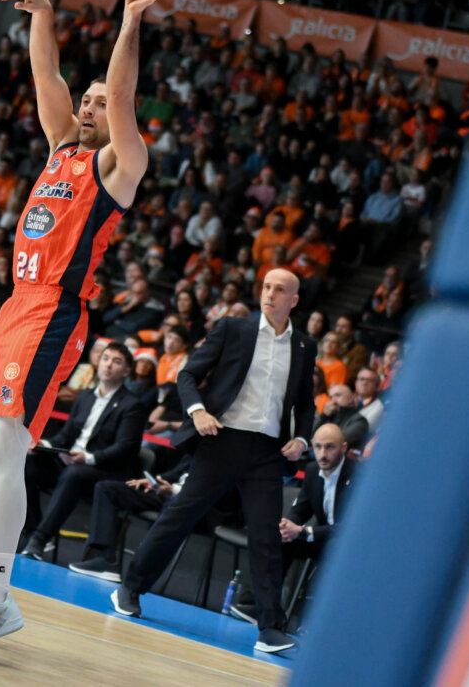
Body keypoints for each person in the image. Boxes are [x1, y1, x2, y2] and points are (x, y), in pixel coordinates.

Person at [0, 0, 173, 653]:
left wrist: (130, 20)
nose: (89, 106)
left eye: (98, 102)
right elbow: (47, 79)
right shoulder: (62, 146)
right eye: (84, 101)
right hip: (12, 308)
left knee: (6, 443)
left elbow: (121, 92)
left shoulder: (121, 164)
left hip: (54, 312)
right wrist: (42, 15)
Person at [111, 269, 316, 657]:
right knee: (179, 518)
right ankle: (129, 588)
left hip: (267, 453)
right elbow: (187, 374)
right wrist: (198, 410)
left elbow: (306, 403)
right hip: (221, 439)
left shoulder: (305, 346)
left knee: (266, 538)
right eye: (266, 287)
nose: (270, 294)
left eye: (280, 290)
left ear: (295, 299)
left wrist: (302, 438)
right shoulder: (234, 329)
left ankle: (270, 628)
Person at [19, 342, 150, 558]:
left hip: (103, 470)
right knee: (28, 464)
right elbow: (66, 435)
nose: (108, 365)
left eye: (116, 362)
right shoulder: (85, 396)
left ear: (127, 371)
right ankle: (32, 529)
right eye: (106, 358)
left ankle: (40, 539)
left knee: (74, 473)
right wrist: (45, 445)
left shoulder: (132, 405)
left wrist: (88, 458)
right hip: (70, 462)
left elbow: (125, 448)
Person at [229, 422, 355, 624]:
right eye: (318, 446)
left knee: (333, 547)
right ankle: (263, 607)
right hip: (322, 539)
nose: (323, 453)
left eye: (330, 447)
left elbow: (350, 528)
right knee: (280, 540)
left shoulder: (358, 476)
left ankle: (313, 621)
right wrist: (287, 525)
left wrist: (304, 532)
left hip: (350, 545)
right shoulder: (313, 471)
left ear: (344, 448)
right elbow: (301, 509)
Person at [66, 454, 193, 583]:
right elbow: (174, 474)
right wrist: (154, 481)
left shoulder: (214, 456)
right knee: (107, 489)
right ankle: (106, 560)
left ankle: (138, 579)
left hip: (189, 504)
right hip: (165, 494)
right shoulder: (200, 447)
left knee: (174, 507)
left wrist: (174, 490)